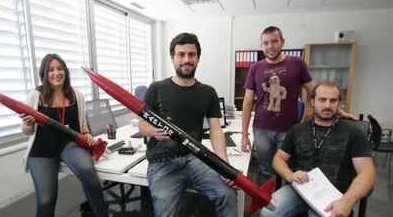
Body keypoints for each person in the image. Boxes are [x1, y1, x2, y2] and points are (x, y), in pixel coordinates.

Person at [139, 33, 237, 217]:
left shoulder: (208, 92)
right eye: (181, 54)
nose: (186, 59)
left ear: (198, 58)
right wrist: (153, 131)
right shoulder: (156, 88)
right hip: (162, 163)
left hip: (195, 159)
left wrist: (225, 167)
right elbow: (141, 125)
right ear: (172, 58)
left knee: (228, 194)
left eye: (191, 54)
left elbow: (216, 129)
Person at [240, 26, 354, 185]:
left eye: (274, 41)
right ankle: (266, 204)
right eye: (265, 43)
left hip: (289, 130)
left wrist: (339, 111)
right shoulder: (255, 68)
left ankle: (287, 202)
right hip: (261, 129)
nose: (270, 46)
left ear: (282, 42)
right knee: (265, 170)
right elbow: (247, 102)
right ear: (261, 45)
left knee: (289, 171)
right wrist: (244, 134)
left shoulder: (297, 63)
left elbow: (316, 92)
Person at [260, 81, 375, 217]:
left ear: (338, 103)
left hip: (333, 195)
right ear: (313, 101)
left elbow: (367, 173)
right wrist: (289, 174)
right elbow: (278, 159)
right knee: (267, 213)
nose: (327, 105)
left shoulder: (353, 133)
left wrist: (347, 200)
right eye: (322, 100)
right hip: (300, 189)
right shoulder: (297, 129)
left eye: (333, 100)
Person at [20, 54, 108, 217]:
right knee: (46, 200)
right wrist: (27, 124)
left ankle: (101, 214)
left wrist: (87, 133)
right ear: (44, 75)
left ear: (65, 72)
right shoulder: (35, 95)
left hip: (70, 144)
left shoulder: (76, 95)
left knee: (87, 171)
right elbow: (27, 132)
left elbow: (83, 121)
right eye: (50, 70)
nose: (56, 73)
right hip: (42, 149)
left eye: (60, 68)